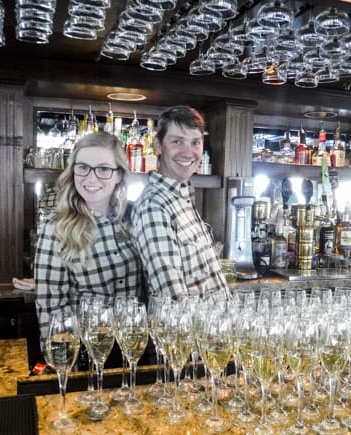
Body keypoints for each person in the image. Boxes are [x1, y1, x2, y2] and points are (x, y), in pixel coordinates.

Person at [34, 132, 143, 338]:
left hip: (135, 343)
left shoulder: (135, 215)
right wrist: (65, 359)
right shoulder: (56, 227)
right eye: (83, 167)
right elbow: (51, 306)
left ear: (119, 174)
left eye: (103, 169)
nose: (91, 178)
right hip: (89, 347)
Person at [131, 105, 229, 298]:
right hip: (194, 328)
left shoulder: (181, 195)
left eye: (195, 142)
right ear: (158, 145)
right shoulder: (154, 207)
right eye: (177, 141)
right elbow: (173, 301)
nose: (188, 152)